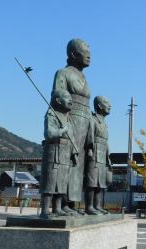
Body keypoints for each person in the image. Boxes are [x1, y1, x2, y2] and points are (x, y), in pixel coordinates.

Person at [52, 38, 93, 213]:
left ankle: (72, 203)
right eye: (85, 51)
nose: (89, 55)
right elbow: (57, 97)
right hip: (71, 119)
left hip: (85, 121)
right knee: (68, 160)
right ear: (73, 54)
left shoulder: (84, 77)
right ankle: (60, 203)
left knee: (80, 164)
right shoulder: (63, 73)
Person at [39, 89, 78, 218]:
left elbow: (72, 137)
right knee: (50, 181)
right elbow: (49, 133)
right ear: (57, 100)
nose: (70, 100)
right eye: (67, 97)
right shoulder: (52, 114)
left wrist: (74, 152)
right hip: (54, 152)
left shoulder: (68, 118)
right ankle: (45, 210)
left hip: (66, 154)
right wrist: (61, 131)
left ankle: (57, 208)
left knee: (62, 182)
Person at [84, 96, 112, 215]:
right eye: (107, 103)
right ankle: (89, 207)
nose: (110, 106)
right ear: (99, 106)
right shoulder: (92, 120)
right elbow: (89, 137)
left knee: (101, 183)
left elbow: (106, 142)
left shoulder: (105, 124)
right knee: (92, 182)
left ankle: (98, 206)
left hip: (103, 155)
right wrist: (89, 151)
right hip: (94, 153)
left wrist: (108, 157)